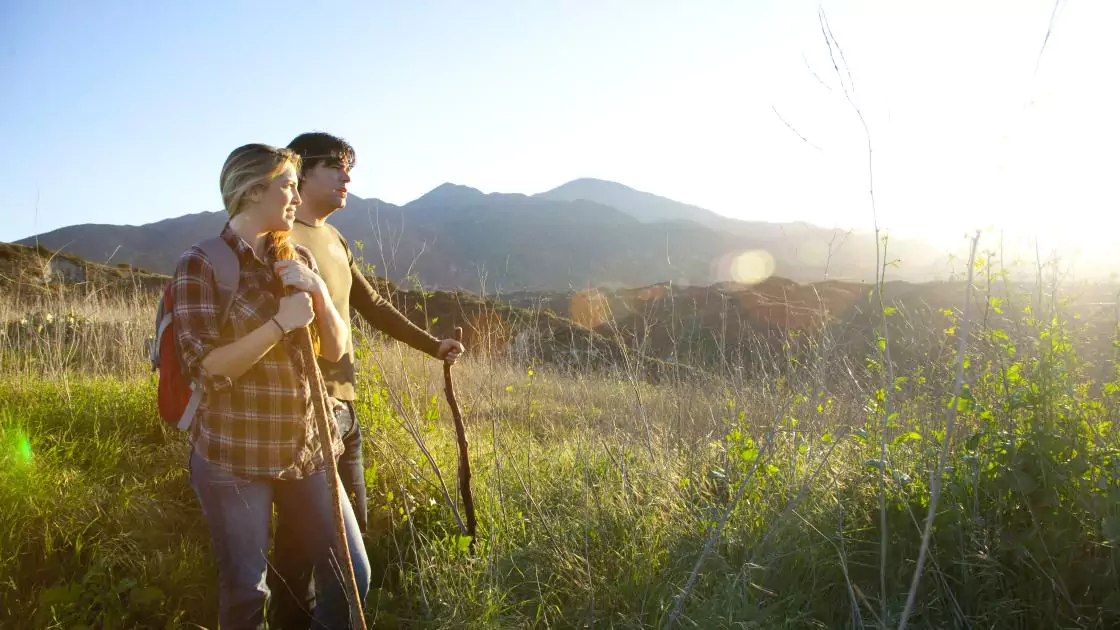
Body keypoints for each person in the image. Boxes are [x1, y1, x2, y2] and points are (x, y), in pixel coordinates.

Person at [266, 131, 464, 628]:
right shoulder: (276, 241)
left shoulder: (333, 240)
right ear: (301, 173)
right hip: (302, 417)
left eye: (348, 168)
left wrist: (432, 345)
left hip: (345, 415)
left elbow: (372, 305)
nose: (346, 178)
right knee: (335, 563)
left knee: (318, 548)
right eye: (335, 167)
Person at [174, 143, 369, 630]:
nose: (293, 195)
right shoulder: (200, 264)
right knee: (247, 593)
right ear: (253, 190)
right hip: (233, 455)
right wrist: (280, 324)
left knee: (353, 577)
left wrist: (320, 294)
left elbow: (335, 351)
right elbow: (207, 369)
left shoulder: (297, 254)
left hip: (307, 446)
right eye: (286, 185)